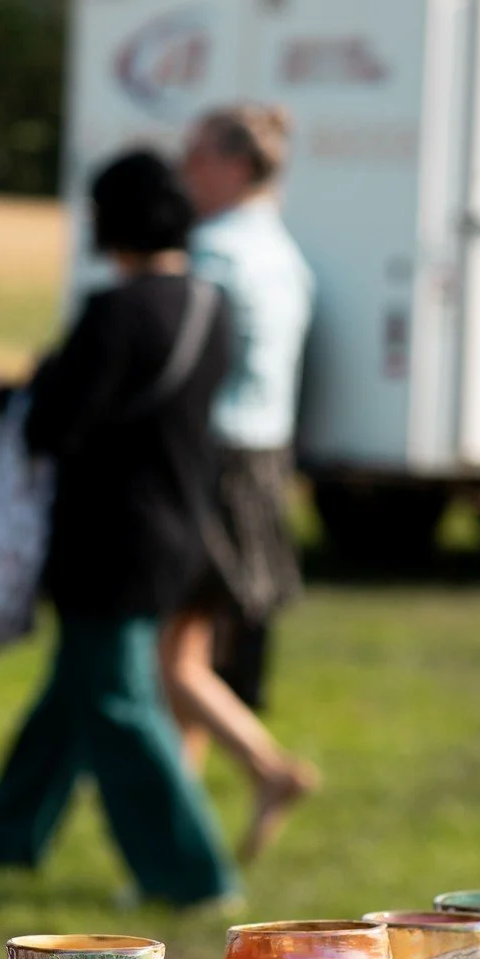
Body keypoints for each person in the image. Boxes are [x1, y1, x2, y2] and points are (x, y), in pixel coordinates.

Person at [0, 149, 238, 909]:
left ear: (112, 222)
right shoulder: (210, 303)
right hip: (177, 529)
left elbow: (60, 427)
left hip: (108, 541)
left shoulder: (117, 309)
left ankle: (191, 876)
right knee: (76, 691)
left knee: (115, 703)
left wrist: (15, 395)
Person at [159, 102, 319, 864]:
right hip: (264, 463)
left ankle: (268, 769)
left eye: (195, 155)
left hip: (212, 463)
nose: (184, 171)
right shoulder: (284, 252)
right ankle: (180, 829)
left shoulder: (211, 252)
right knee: (190, 651)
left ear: (233, 165)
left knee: (173, 661)